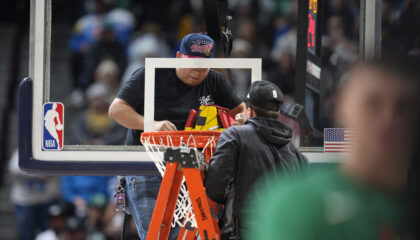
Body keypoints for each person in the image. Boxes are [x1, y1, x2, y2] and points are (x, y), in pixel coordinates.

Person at [246, 57, 420, 240]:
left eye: (405, 107)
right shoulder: (299, 204)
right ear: (341, 107)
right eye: (373, 104)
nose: (389, 121)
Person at [108, 33, 245, 239]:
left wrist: (243, 120)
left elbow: (240, 111)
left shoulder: (215, 80)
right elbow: (116, 109)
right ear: (179, 56)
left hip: (193, 168)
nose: (198, 70)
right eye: (193, 62)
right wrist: (151, 125)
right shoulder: (151, 74)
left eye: (204, 64)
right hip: (149, 168)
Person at [204, 80, 307, 239]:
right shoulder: (295, 152)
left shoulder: (234, 135)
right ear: (278, 115)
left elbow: (215, 188)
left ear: (250, 112)